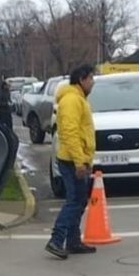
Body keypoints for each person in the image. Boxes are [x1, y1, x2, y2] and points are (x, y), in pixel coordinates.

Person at [45, 64, 97, 259]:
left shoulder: (78, 99)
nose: (93, 82)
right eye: (91, 78)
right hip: (72, 159)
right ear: (82, 79)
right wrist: (79, 162)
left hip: (78, 158)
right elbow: (70, 133)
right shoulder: (72, 100)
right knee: (74, 200)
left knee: (79, 200)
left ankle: (73, 241)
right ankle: (56, 240)